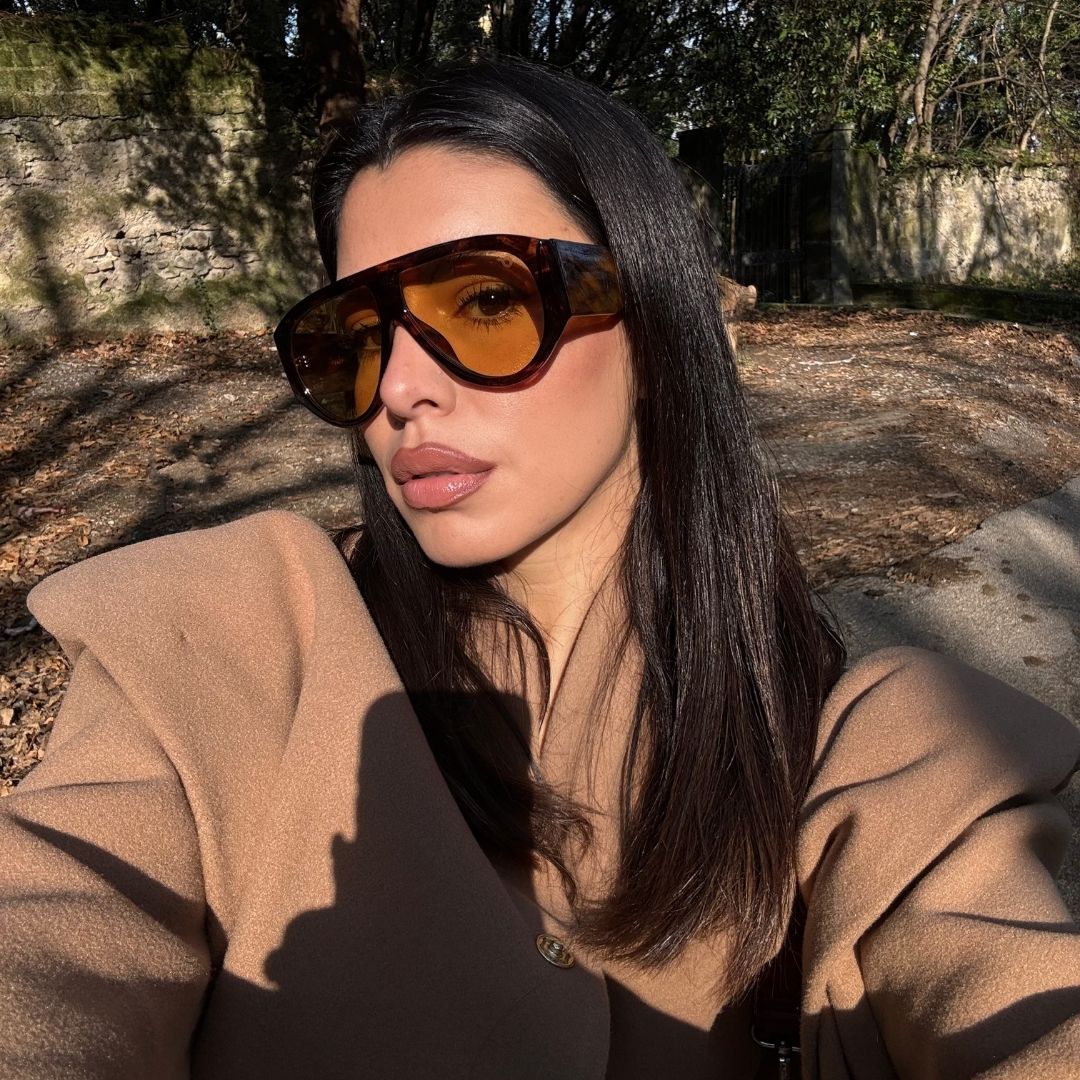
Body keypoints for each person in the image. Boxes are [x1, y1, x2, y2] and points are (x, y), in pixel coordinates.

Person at [1, 56, 1078, 1080]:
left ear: (654, 322)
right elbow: (49, 937)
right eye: (357, 335)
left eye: (484, 301)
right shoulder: (216, 646)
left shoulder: (872, 759)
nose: (401, 389)